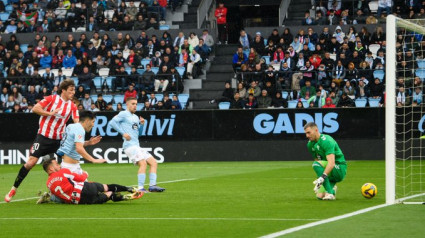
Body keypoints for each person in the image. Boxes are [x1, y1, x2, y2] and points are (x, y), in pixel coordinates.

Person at [5, 79, 80, 203]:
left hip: (59, 140)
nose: (73, 92)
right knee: (30, 163)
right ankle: (14, 189)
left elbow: (76, 121)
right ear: (63, 90)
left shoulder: (72, 106)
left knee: (63, 167)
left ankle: (57, 194)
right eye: (71, 90)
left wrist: (81, 129)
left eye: (74, 89)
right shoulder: (51, 99)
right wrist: (50, 113)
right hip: (43, 137)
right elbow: (35, 108)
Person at [108, 97, 165, 193]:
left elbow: (139, 134)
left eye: (136, 104)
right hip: (129, 146)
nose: (135, 106)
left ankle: (152, 186)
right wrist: (123, 133)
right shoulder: (123, 114)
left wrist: (142, 125)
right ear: (127, 104)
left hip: (136, 145)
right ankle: (140, 188)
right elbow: (112, 123)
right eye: (133, 104)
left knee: (154, 162)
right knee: (143, 164)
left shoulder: (135, 117)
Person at [40, 158, 142, 204]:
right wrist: (85, 173)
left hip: (80, 201)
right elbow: (81, 178)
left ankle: (124, 197)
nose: (59, 165)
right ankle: (129, 188)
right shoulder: (63, 171)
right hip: (85, 188)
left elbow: (59, 197)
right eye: (57, 165)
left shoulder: (48, 184)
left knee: (109, 194)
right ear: (51, 169)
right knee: (106, 187)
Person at [304, 122, 347, 200]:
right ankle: (332, 189)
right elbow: (318, 161)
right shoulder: (310, 144)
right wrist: (319, 179)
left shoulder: (326, 141)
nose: (307, 135)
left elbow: (331, 163)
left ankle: (330, 193)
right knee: (319, 197)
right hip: (329, 170)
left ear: (316, 130)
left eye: (309, 133)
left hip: (339, 168)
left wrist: (322, 178)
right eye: (306, 133)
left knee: (315, 164)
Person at [56, 110, 106, 175]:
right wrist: (93, 160)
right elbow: (79, 148)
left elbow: (73, 143)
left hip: (70, 165)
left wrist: (88, 142)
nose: (93, 125)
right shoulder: (80, 129)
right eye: (93, 122)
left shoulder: (71, 126)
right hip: (70, 168)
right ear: (87, 121)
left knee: (88, 184)